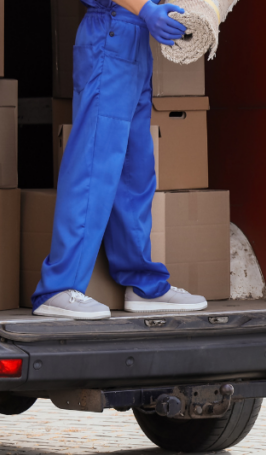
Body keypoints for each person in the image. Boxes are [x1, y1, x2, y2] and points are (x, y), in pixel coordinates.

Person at [31, 0, 208, 320]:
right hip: (110, 33)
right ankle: (58, 287)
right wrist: (146, 9)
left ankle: (142, 283)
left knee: (135, 173)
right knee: (93, 168)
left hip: (136, 40)